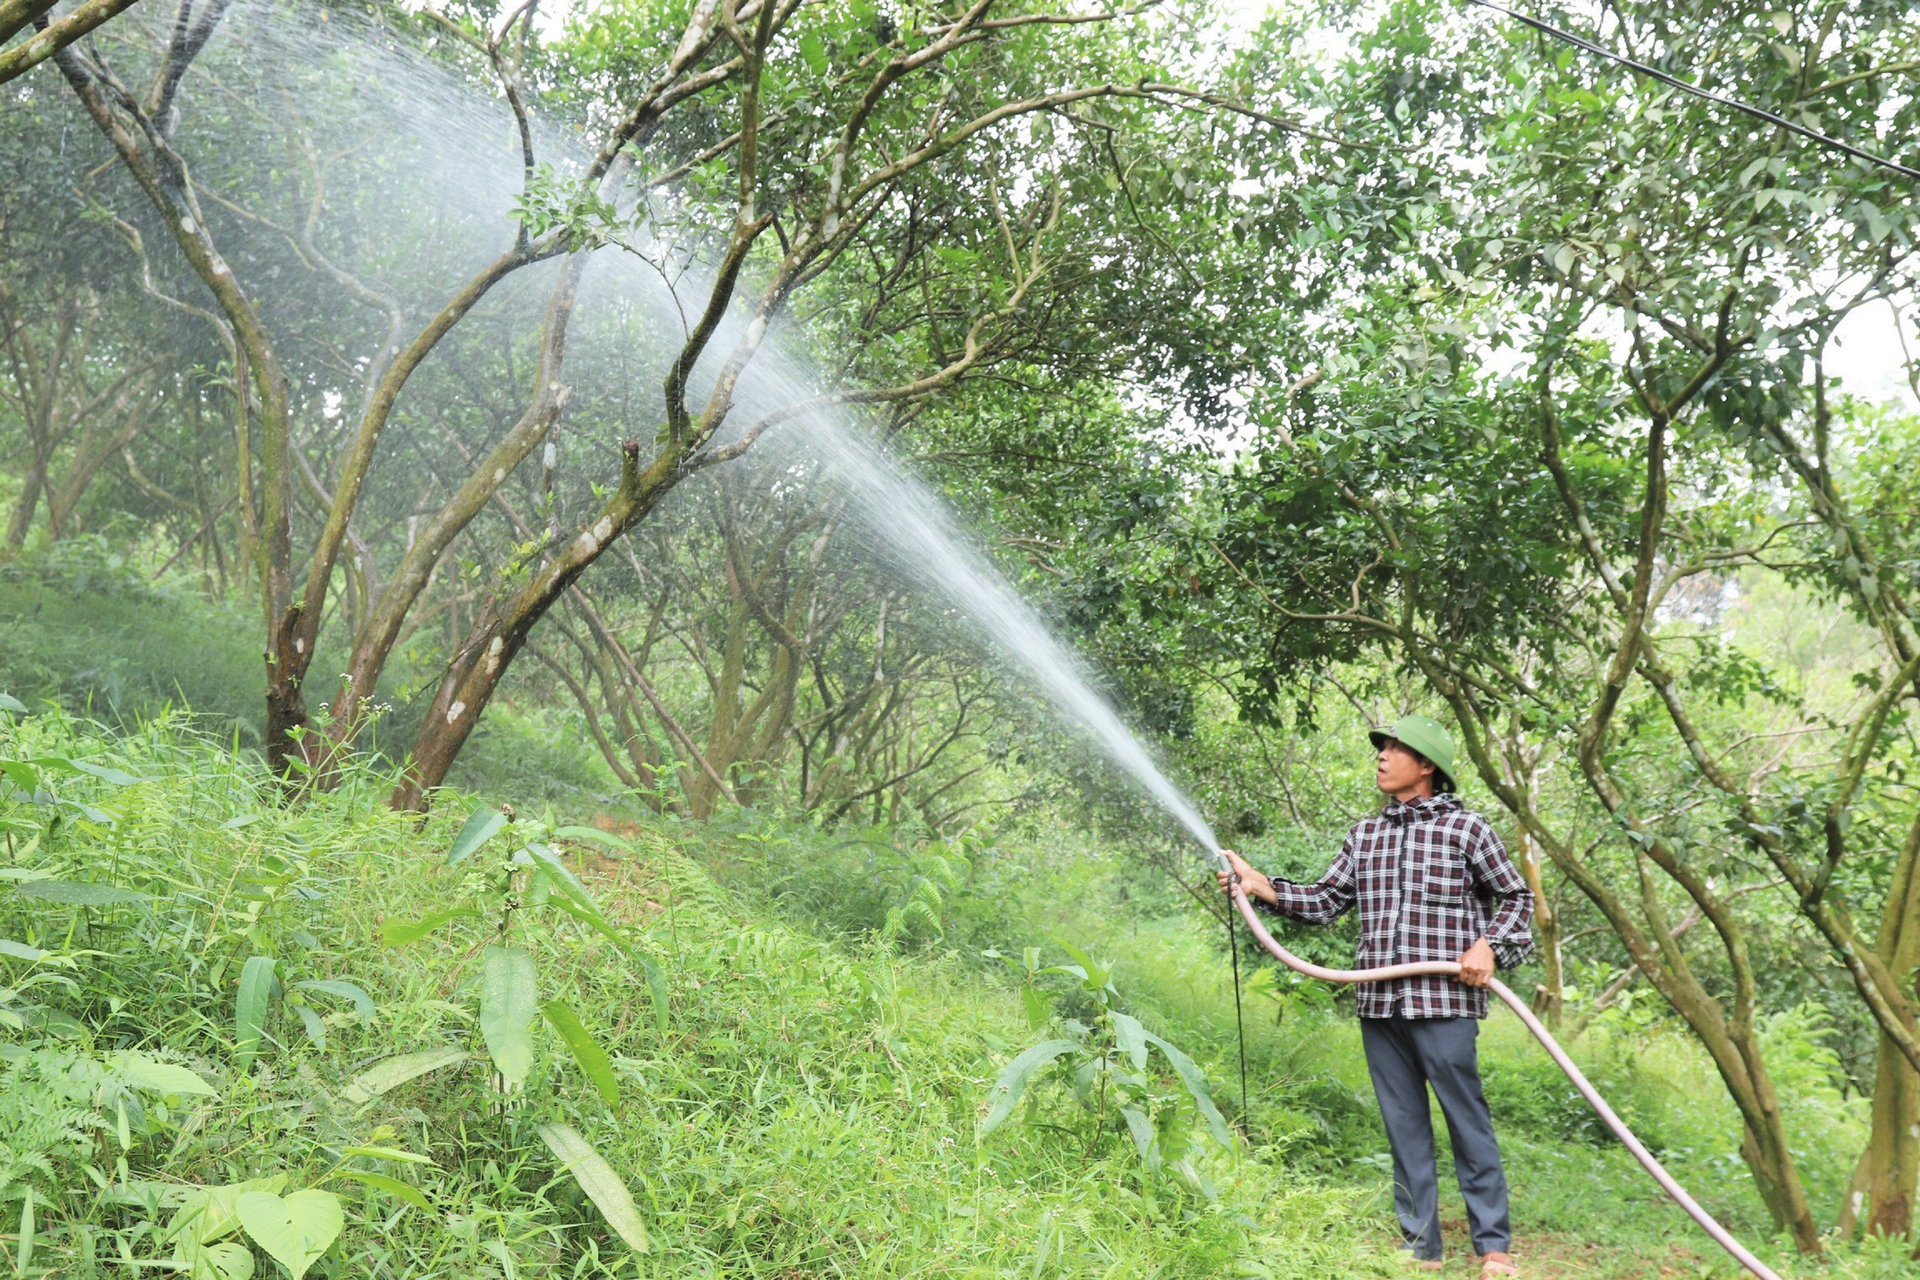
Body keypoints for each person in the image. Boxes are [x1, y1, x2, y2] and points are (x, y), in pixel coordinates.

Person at [1217, 714, 1532, 1279]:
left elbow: (1516, 899)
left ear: (1427, 765)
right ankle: (1420, 1251)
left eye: (1394, 748)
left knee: (1467, 1121)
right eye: (1380, 747)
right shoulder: (1366, 836)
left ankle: (1494, 1248)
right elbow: (1322, 901)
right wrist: (1260, 886)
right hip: (1379, 1004)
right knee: (1403, 1125)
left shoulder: (1468, 831)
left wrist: (1489, 945)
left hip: (1445, 1003)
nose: (1382, 756)